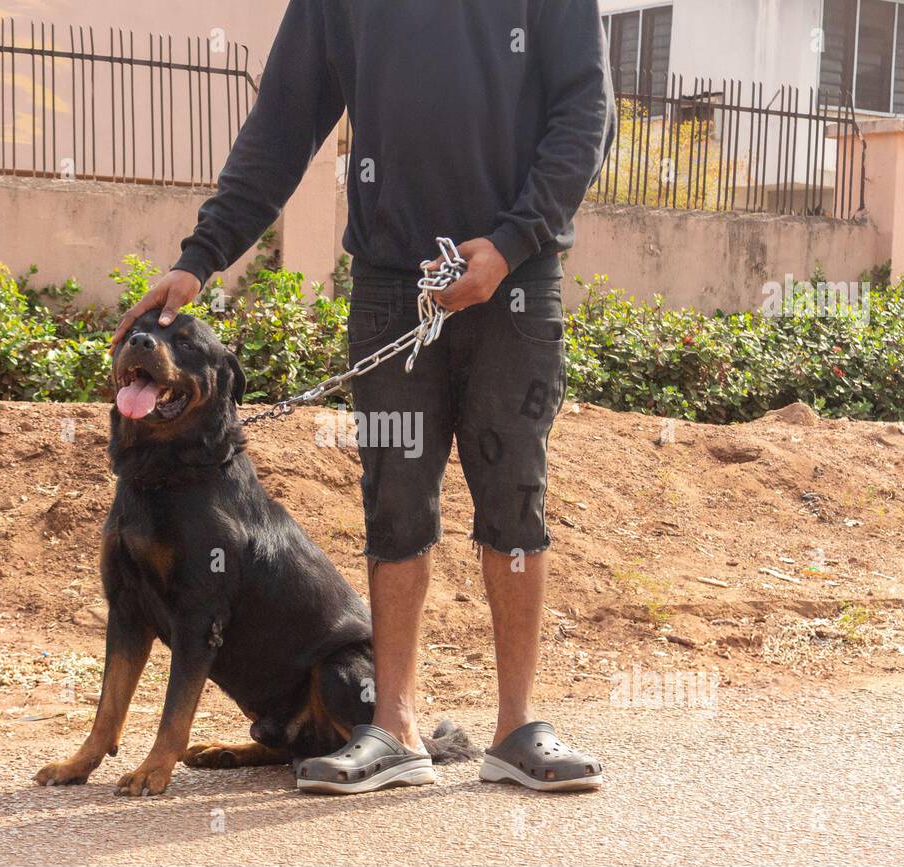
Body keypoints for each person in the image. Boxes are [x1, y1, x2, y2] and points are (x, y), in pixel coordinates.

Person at [113, 0, 616, 793]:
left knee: (515, 497)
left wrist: (514, 241)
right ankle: (393, 728)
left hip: (517, 283)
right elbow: (283, 123)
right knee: (394, 500)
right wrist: (201, 255)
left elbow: (587, 109)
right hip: (392, 284)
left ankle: (517, 726)